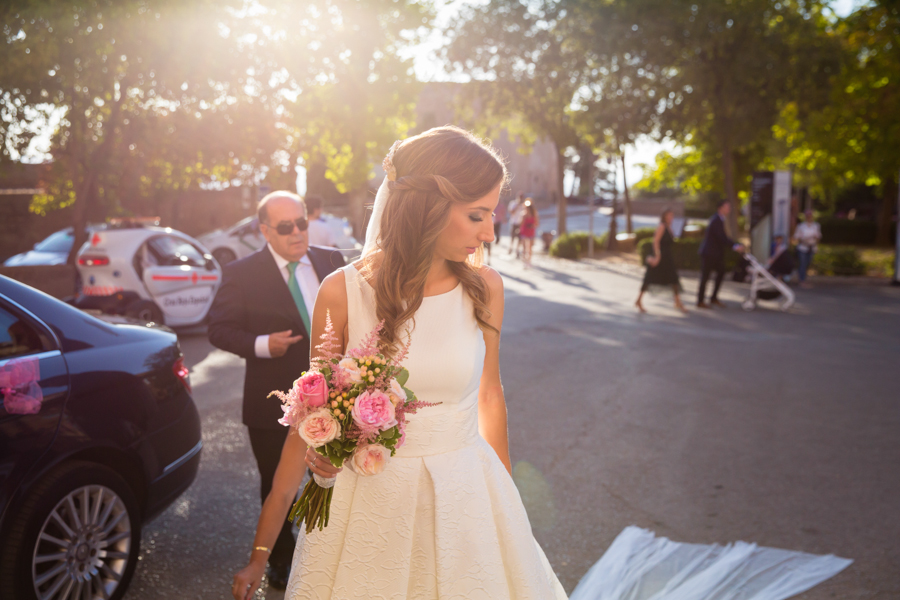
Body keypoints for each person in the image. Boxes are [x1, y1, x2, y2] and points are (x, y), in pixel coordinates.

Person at [231, 127, 567, 600]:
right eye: (477, 215)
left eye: (492, 214)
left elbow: (490, 393)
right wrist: (260, 553)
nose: (490, 233)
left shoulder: (485, 288)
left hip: (465, 499)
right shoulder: (340, 293)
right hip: (367, 507)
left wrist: (505, 507)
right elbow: (309, 423)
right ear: (428, 207)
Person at [208, 191, 344, 590]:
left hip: (336, 397)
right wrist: (264, 344)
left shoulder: (331, 260)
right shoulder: (241, 273)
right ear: (265, 230)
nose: (297, 232)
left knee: (336, 478)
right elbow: (218, 329)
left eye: (301, 222)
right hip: (273, 402)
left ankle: (330, 551)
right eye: (285, 227)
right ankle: (281, 560)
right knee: (277, 485)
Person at [636, 208, 686, 313]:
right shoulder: (662, 226)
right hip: (660, 257)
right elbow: (656, 241)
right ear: (664, 217)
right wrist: (657, 256)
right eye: (668, 215)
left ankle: (677, 301)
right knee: (649, 278)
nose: (670, 218)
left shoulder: (669, 227)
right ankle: (639, 300)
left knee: (673, 279)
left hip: (667, 258)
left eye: (672, 215)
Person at [697, 199, 744, 309]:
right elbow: (721, 238)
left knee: (721, 273)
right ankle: (700, 301)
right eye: (727, 207)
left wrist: (734, 245)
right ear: (720, 208)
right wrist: (735, 246)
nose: (729, 209)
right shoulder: (716, 220)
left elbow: (723, 238)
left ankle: (713, 298)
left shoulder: (720, 219)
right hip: (709, 254)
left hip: (715, 254)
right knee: (705, 277)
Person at [792, 210, 821, 287]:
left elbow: (818, 236)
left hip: (811, 247)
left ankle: (803, 278)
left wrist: (815, 239)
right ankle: (801, 280)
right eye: (807, 216)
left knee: (808, 263)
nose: (809, 217)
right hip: (802, 247)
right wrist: (803, 238)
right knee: (802, 263)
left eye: (810, 216)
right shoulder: (801, 226)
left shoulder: (816, 225)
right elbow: (796, 237)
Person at [519, 199, 539, 268]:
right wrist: (524, 218)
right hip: (524, 231)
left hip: (531, 232)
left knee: (530, 248)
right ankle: (525, 261)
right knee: (524, 247)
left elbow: (537, 223)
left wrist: (532, 225)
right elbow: (521, 224)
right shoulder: (523, 214)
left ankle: (529, 261)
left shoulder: (534, 214)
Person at [507, 191, 525, 257]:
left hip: (520, 223)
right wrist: (517, 205)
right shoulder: (513, 203)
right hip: (513, 222)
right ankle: (510, 248)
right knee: (512, 237)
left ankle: (517, 250)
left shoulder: (524, 205)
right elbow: (511, 212)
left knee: (519, 238)